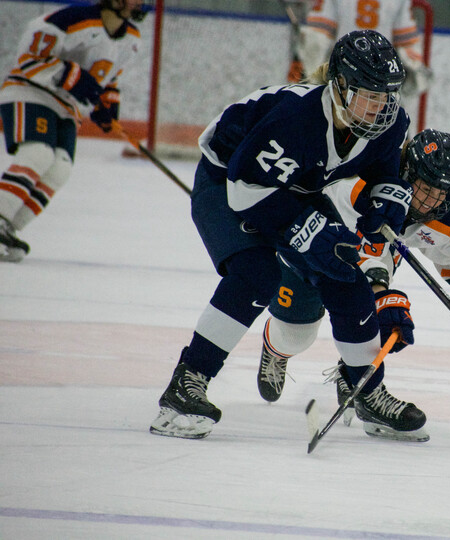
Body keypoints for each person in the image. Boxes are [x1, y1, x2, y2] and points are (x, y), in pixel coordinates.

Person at [150, 30, 416, 440]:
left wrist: (388, 201)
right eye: (370, 94)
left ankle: (368, 391)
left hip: (293, 187)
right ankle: (186, 385)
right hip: (228, 183)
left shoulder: (390, 123)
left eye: (388, 95)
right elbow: (246, 191)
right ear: (341, 87)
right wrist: (307, 231)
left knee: (348, 272)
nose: (382, 106)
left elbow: (384, 174)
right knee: (257, 274)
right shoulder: (298, 117)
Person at [257, 129, 450, 442]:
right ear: (406, 172)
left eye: (444, 192)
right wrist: (379, 292)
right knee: (296, 335)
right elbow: (347, 249)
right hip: (311, 250)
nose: (434, 201)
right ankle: (276, 346)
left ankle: (359, 382)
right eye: (427, 189)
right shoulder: (361, 183)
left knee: (377, 314)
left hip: (377, 255)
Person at [0, 0, 149, 262]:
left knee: (60, 169)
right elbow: (30, 58)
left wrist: (107, 104)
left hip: (67, 106)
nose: (141, 2)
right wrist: (72, 76)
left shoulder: (132, 39)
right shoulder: (70, 20)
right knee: (37, 155)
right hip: (30, 91)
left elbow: (109, 78)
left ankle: (9, 227)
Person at [293, 0, 432, 128]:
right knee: (392, 136)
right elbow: (407, 46)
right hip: (382, 86)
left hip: (343, 83)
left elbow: (316, 40)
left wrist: (312, 79)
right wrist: (411, 77)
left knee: (325, 131)